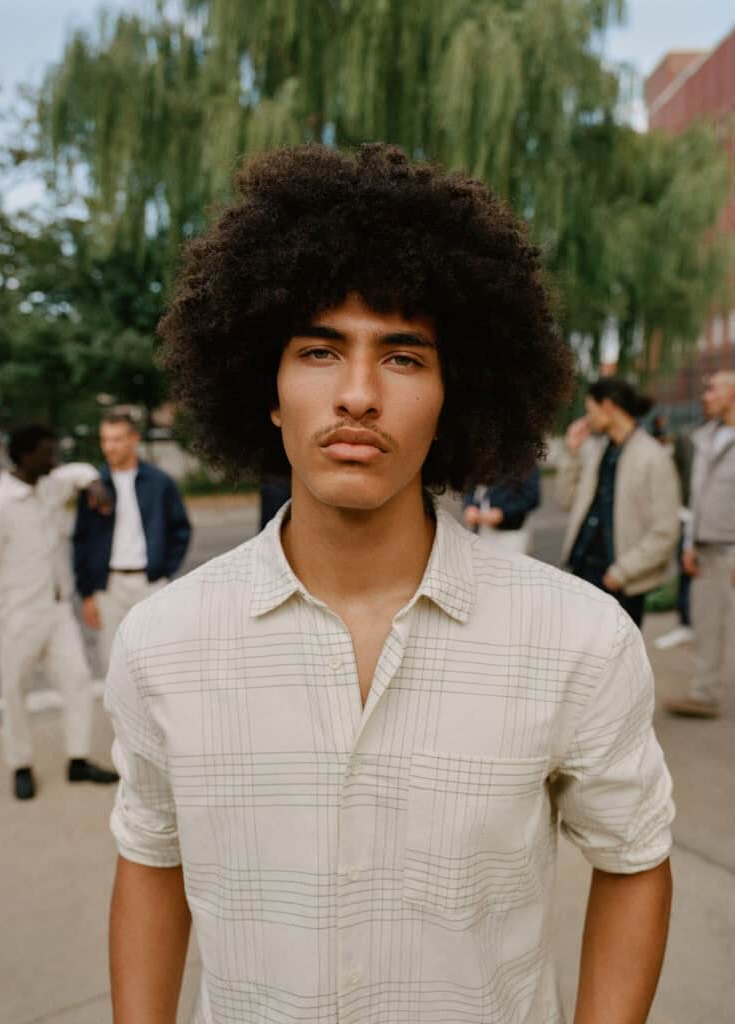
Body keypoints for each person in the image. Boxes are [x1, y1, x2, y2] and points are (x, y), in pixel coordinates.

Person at [105, 145, 673, 1024]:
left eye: (404, 357)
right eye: (320, 351)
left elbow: (634, 858)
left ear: (456, 393)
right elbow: (150, 857)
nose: (359, 394)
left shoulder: (580, 640)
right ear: (268, 386)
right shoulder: (163, 640)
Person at [0, 425, 119, 800]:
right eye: (48, 452)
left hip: (57, 610)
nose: (55, 458)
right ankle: (21, 764)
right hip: (18, 615)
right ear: (26, 456)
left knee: (78, 680)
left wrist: (94, 482)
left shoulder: (49, 485)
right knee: (15, 690)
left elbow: (78, 472)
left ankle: (77, 759)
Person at [73, 412, 192, 675]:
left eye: (116, 439)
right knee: (113, 665)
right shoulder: (94, 487)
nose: (109, 447)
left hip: (151, 582)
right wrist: (87, 593)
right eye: (105, 440)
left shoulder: (160, 482)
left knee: (159, 662)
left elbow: (180, 529)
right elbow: (82, 540)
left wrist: (164, 568)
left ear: (134, 439)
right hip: (110, 586)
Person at [558, 378, 680, 628]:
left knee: (615, 663)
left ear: (609, 407)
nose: (587, 419)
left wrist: (621, 573)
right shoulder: (596, 451)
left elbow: (666, 531)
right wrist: (571, 452)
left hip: (620, 582)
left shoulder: (653, 458)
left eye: (590, 410)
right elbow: (565, 500)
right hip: (582, 572)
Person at [664, 371, 735, 718]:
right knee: (706, 624)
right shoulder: (704, 438)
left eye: (712, 389)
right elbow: (695, 498)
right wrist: (689, 544)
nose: (705, 395)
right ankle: (704, 694)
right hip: (706, 547)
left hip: (731, 547)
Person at [654, 426, 695, 650]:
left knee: (689, 576)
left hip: (689, 518)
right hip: (687, 517)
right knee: (687, 576)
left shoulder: (683, 443)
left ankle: (687, 623)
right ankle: (687, 622)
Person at [461, 467, 540, 553]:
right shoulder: (481, 457)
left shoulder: (526, 462)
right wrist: (469, 505)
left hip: (510, 532)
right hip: (480, 528)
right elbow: (470, 484)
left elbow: (531, 498)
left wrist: (503, 513)